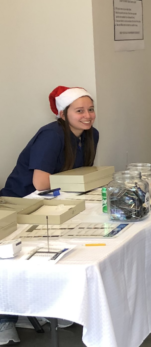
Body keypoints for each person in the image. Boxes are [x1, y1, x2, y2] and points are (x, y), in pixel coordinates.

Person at [0, 86, 97, 345]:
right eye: (79, 111)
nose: (87, 116)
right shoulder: (51, 135)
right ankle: (4, 320)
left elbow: (81, 176)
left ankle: (49, 306)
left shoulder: (91, 135)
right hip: (20, 203)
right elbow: (41, 183)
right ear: (63, 114)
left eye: (90, 109)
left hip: (55, 203)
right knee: (17, 257)